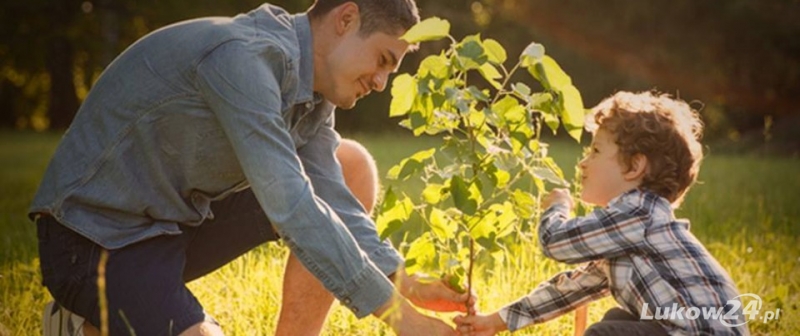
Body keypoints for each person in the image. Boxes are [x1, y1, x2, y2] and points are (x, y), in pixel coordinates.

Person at [31, 1, 474, 335]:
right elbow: (294, 207)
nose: (381, 83)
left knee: (351, 165)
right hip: (94, 240)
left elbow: (334, 199)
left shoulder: (314, 94)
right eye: (383, 61)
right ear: (346, 19)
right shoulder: (244, 59)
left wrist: (405, 283)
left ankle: (105, 321)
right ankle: (87, 315)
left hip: (171, 226)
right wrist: (404, 320)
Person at [454, 91, 749, 336]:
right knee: (616, 319)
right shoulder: (632, 231)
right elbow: (571, 288)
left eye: (595, 151)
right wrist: (494, 321)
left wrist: (558, 207)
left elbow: (555, 242)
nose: (583, 163)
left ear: (634, 167)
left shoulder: (638, 213)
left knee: (605, 335)